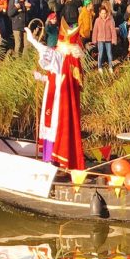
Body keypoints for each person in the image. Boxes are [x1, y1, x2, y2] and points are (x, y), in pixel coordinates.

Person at [27, 22, 85, 170]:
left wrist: (32, 40)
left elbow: (47, 51)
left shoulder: (63, 58)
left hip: (58, 100)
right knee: (50, 125)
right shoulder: (69, 61)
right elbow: (54, 77)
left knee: (54, 125)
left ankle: (53, 158)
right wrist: (41, 77)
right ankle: (49, 157)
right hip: (53, 95)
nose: (57, 45)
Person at [91, 4, 116, 72]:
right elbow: (95, 31)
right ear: (99, 13)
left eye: (105, 13)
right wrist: (94, 40)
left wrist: (114, 40)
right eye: (102, 13)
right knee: (100, 53)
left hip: (108, 39)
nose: (104, 15)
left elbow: (113, 31)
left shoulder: (110, 20)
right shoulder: (97, 20)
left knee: (109, 53)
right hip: (100, 40)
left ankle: (110, 66)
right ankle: (99, 67)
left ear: (107, 13)